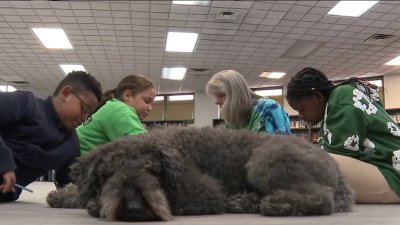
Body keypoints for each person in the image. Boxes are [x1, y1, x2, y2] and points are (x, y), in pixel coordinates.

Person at [286, 67, 400, 203]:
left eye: (302, 109)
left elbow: (341, 153)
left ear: (318, 96)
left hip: (393, 174)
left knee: (309, 162)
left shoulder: (340, 97)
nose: (301, 116)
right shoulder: (338, 102)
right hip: (388, 169)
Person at [0, 71, 102, 202]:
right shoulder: (25, 103)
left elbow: (71, 185)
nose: (84, 118)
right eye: (85, 109)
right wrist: (4, 162)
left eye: (89, 115)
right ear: (66, 94)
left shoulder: (71, 145)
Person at [77, 74, 156, 156]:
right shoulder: (120, 110)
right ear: (127, 96)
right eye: (147, 101)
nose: (150, 108)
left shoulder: (112, 106)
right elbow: (147, 149)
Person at [205, 70, 291, 134]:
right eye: (215, 96)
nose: (216, 102)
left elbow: (283, 150)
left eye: (221, 95)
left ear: (236, 94)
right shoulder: (231, 120)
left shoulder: (268, 108)